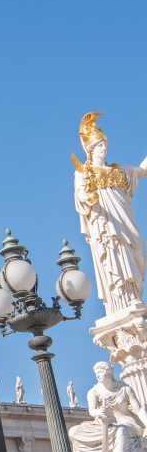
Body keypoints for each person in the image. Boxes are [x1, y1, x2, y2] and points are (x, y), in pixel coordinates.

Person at [72, 112, 147, 315]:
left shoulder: (119, 170)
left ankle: (134, 295)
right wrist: (87, 198)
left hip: (125, 222)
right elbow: (80, 194)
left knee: (137, 252)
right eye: (99, 145)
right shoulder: (83, 173)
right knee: (115, 256)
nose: (104, 148)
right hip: (105, 224)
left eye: (105, 144)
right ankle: (122, 300)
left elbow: (142, 171)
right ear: (90, 149)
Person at [68, 361, 147, 452]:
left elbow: (139, 409)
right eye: (96, 373)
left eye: (100, 372)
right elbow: (92, 410)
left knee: (121, 431)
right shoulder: (94, 392)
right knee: (73, 432)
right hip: (105, 425)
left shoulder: (125, 389)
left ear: (108, 372)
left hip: (128, 424)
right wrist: (100, 413)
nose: (98, 375)